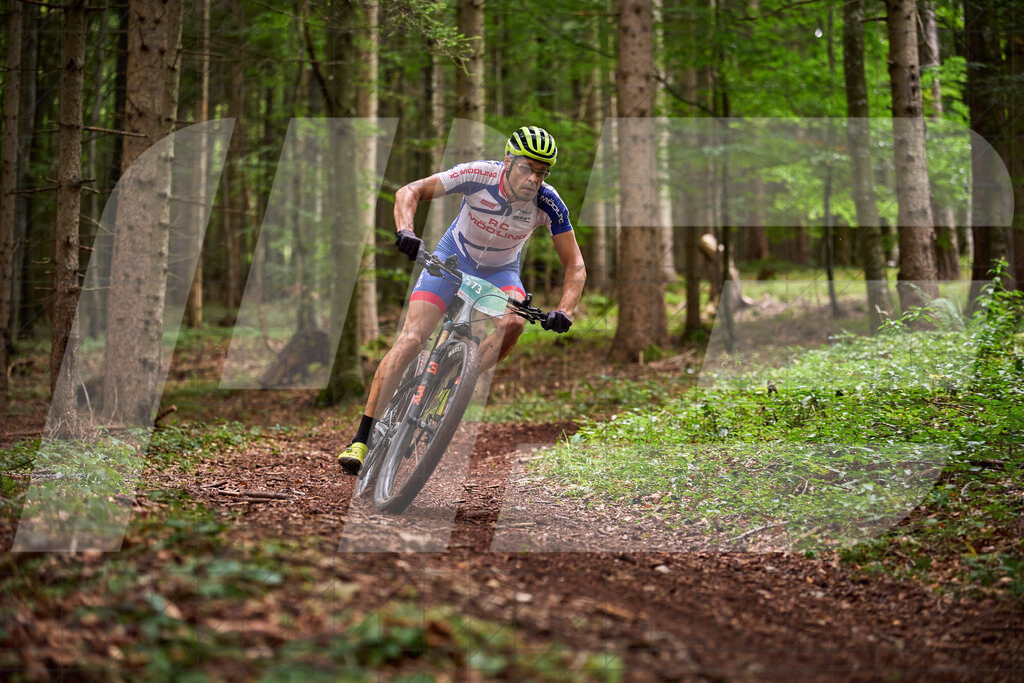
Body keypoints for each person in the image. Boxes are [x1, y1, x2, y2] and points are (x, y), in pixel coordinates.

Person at [338, 125, 587, 474]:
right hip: (452, 258)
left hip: (500, 272)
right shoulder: (477, 174)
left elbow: (574, 264)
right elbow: (409, 191)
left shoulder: (548, 202)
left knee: (514, 322)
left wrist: (565, 309)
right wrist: (406, 230)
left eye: (542, 172)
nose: (534, 178)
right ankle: (361, 438)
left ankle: (458, 380)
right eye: (527, 167)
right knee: (411, 339)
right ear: (507, 161)